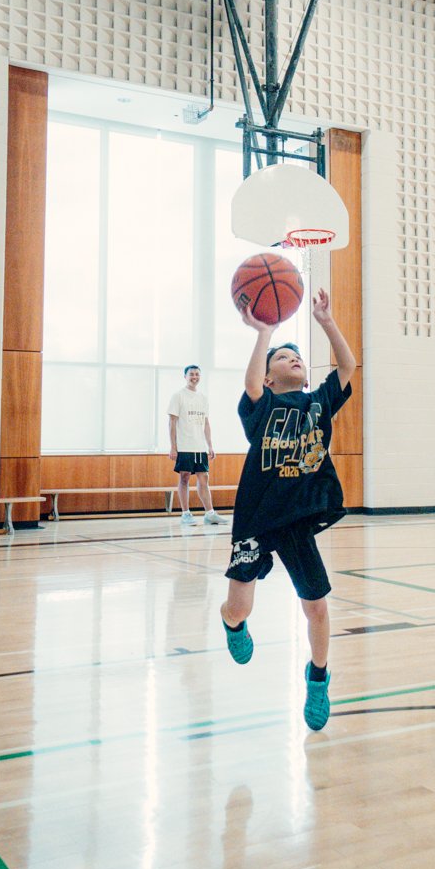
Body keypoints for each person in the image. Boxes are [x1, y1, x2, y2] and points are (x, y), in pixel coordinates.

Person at [220, 290, 356, 732]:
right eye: (283, 357)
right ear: (271, 376)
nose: (293, 357)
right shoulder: (263, 406)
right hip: (257, 517)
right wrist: (265, 333)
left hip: (296, 519)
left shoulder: (318, 403)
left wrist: (326, 321)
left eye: (297, 355)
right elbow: (251, 385)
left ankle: (318, 676)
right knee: (238, 608)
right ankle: (232, 625)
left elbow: (348, 367)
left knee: (316, 606)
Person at [168, 365, 230, 525]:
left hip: (199, 446)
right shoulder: (178, 396)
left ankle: (210, 513)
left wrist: (210, 445)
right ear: (185, 376)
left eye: (197, 374)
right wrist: (173, 446)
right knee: (185, 477)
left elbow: (206, 423)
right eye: (191, 374)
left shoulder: (203, 398)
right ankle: (185, 513)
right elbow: (172, 422)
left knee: (204, 479)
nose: (194, 377)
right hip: (184, 445)